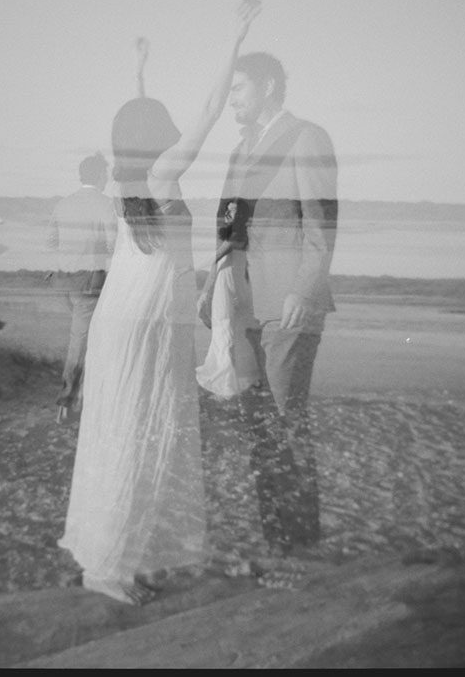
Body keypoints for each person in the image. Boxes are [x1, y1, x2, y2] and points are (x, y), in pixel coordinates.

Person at [58, 0, 262, 605]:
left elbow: (134, 119)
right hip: (147, 323)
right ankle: (109, 569)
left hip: (124, 318)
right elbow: (206, 110)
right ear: (156, 133)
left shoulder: (126, 176)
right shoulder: (163, 173)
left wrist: (140, 73)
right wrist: (238, 33)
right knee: (141, 438)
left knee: (123, 435)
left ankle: (119, 556)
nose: (177, 125)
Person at [198, 50, 338, 556]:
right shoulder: (240, 151)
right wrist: (211, 285)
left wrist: (305, 288)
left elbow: (322, 222)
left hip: (289, 305)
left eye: (238, 88)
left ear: (270, 87)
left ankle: (301, 544)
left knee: (284, 419)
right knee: (256, 426)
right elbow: (227, 225)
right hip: (243, 302)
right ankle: (277, 538)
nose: (231, 98)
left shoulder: (307, 137)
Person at [46, 152, 117, 421]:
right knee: (84, 341)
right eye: (106, 173)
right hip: (91, 282)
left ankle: (84, 395)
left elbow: (51, 241)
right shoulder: (105, 204)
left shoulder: (63, 204)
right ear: (100, 175)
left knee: (83, 338)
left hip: (66, 281)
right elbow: (113, 245)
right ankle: (69, 400)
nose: (108, 177)